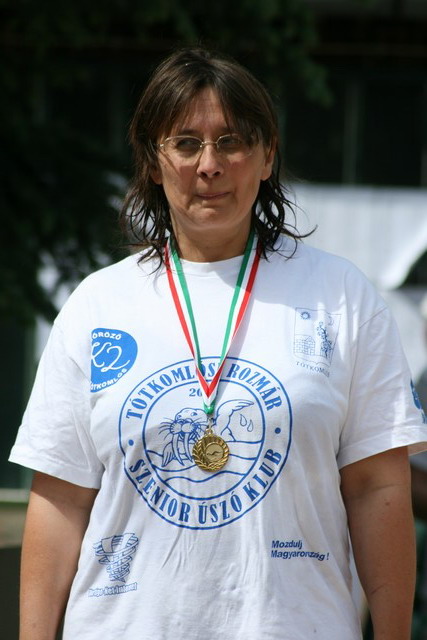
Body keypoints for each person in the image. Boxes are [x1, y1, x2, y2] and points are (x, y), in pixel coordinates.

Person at [9, 46, 427, 640]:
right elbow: (61, 501)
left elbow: (377, 487)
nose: (209, 165)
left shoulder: (342, 297)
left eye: (231, 142)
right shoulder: (97, 305)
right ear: (154, 163)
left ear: (267, 156)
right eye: (185, 144)